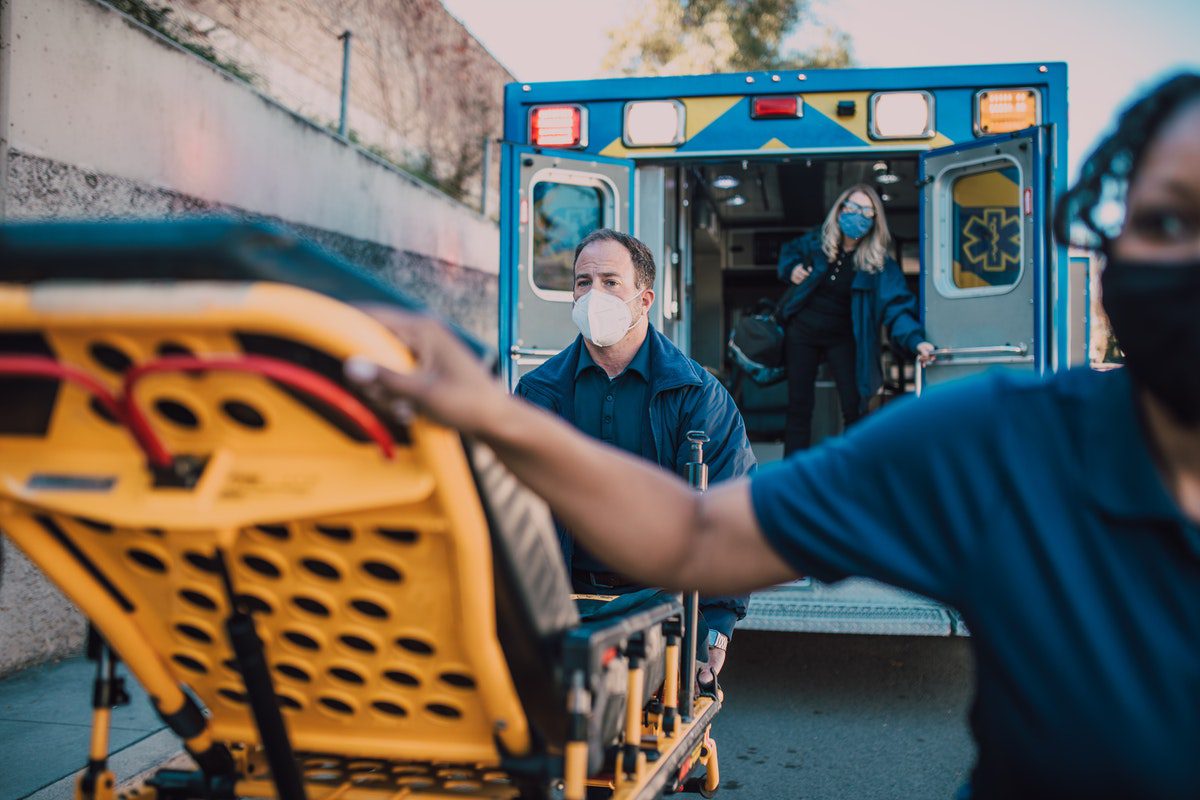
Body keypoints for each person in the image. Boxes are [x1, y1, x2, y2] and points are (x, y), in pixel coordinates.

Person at [346, 72, 1200, 798]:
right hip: (792, 357)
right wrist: (491, 414)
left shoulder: (712, 386)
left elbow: (890, 315)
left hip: (849, 358)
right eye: (1168, 222)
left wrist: (911, 341)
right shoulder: (999, 445)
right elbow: (697, 532)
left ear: (647, 297)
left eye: (609, 280)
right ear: (1112, 238)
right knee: (797, 419)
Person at [514, 228, 756, 688]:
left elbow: (731, 507)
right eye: (583, 283)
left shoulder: (697, 396)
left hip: (659, 603)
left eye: (610, 282)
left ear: (644, 300)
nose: (592, 294)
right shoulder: (538, 393)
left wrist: (718, 622)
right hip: (559, 601)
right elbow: (507, 506)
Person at [775, 184, 936, 454]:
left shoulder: (878, 264)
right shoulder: (816, 243)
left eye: (865, 210)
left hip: (844, 337)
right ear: (839, 211)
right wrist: (791, 269)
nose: (856, 215)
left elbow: (896, 305)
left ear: (875, 220)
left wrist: (917, 342)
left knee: (855, 407)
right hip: (802, 332)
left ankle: (852, 474)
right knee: (799, 407)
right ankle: (793, 475)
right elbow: (788, 252)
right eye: (851, 207)